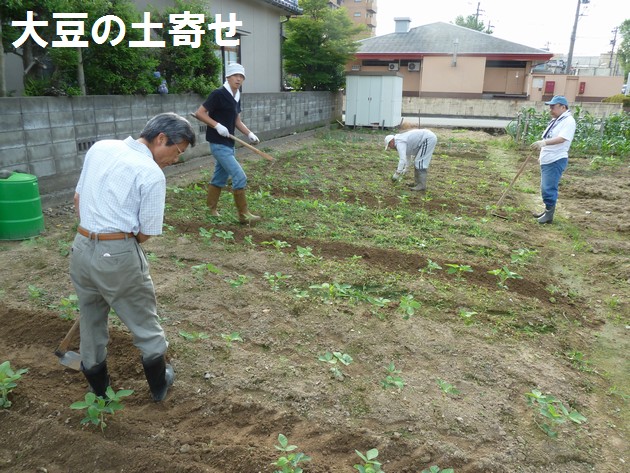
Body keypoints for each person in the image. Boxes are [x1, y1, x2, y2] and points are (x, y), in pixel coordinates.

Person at [70, 112, 196, 402]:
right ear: (161, 138)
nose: (175, 159)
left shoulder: (101, 147)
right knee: (143, 319)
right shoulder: (150, 173)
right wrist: (117, 245)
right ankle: (159, 385)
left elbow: (78, 199)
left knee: (90, 318)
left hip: (81, 246)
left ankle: (98, 389)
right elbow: (147, 231)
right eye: (176, 152)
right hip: (117, 254)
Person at [194, 63, 261, 223]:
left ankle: (210, 210)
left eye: (241, 76)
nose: (239, 79)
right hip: (218, 143)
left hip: (229, 144)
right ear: (228, 77)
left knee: (219, 177)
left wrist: (249, 133)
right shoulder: (218, 94)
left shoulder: (236, 96)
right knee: (239, 176)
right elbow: (200, 113)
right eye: (235, 76)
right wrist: (217, 126)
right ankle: (243, 215)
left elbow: (236, 120)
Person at [530, 95, 576, 224]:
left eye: (553, 107)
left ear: (563, 107)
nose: (550, 110)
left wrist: (543, 143)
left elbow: (562, 138)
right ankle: (546, 211)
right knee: (545, 187)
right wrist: (541, 155)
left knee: (548, 188)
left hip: (556, 159)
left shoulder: (568, 121)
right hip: (548, 158)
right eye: (550, 107)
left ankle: (549, 216)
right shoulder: (557, 120)